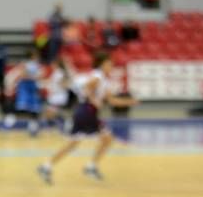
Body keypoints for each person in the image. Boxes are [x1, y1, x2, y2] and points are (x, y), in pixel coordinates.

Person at [37, 53, 137, 185]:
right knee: (106, 139)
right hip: (87, 112)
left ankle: (47, 166)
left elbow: (112, 100)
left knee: (75, 143)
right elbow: (86, 88)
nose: (111, 66)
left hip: (86, 112)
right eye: (109, 64)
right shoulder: (97, 76)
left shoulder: (102, 79)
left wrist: (129, 102)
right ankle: (90, 167)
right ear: (102, 64)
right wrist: (94, 100)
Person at [13, 49, 43, 136]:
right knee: (23, 107)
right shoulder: (25, 64)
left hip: (33, 88)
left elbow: (39, 76)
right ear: (32, 56)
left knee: (35, 109)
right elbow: (23, 76)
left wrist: (35, 77)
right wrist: (33, 77)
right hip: (26, 88)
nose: (38, 57)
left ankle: (33, 126)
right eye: (36, 55)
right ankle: (11, 119)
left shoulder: (37, 65)